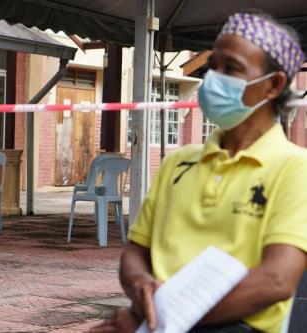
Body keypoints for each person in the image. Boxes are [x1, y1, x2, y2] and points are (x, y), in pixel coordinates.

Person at [91, 12, 307, 333]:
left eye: (231, 68)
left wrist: (156, 319)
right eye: (213, 66)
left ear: (273, 85)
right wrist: (140, 286)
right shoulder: (178, 164)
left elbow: (275, 281)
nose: (214, 79)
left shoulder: (294, 168)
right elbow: (136, 253)